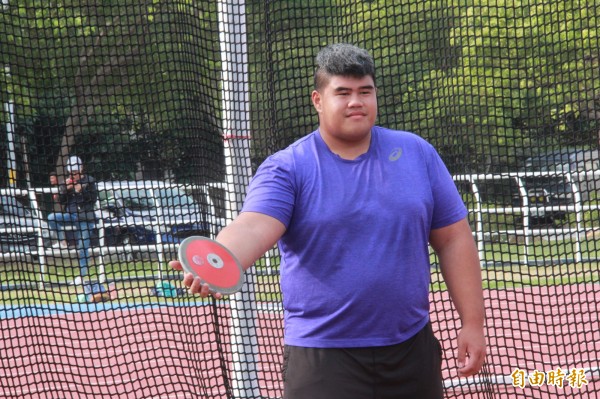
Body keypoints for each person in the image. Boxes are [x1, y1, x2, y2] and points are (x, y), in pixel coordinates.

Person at [170, 43, 486, 398]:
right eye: (343, 92)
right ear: (318, 100)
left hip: (411, 349)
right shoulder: (288, 167)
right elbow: (254, 224)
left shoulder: (417, 153)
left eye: (365, 91)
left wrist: (473, 323)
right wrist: (220, 257)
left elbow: (453, 238)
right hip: (323, 357)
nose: (356, 101)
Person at [48, 156, 98, 285]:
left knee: (83, 246)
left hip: (85, 217)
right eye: (71, 173)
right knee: (51, 218)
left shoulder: (90, 180)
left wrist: (82, 191)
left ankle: (82, 276)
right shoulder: (67, 181)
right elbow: (61, 200)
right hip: (70, 215)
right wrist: (66, 189)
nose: (73, 175)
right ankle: (62, 241)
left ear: (81, 169)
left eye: (75, 172)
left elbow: (93, 199)